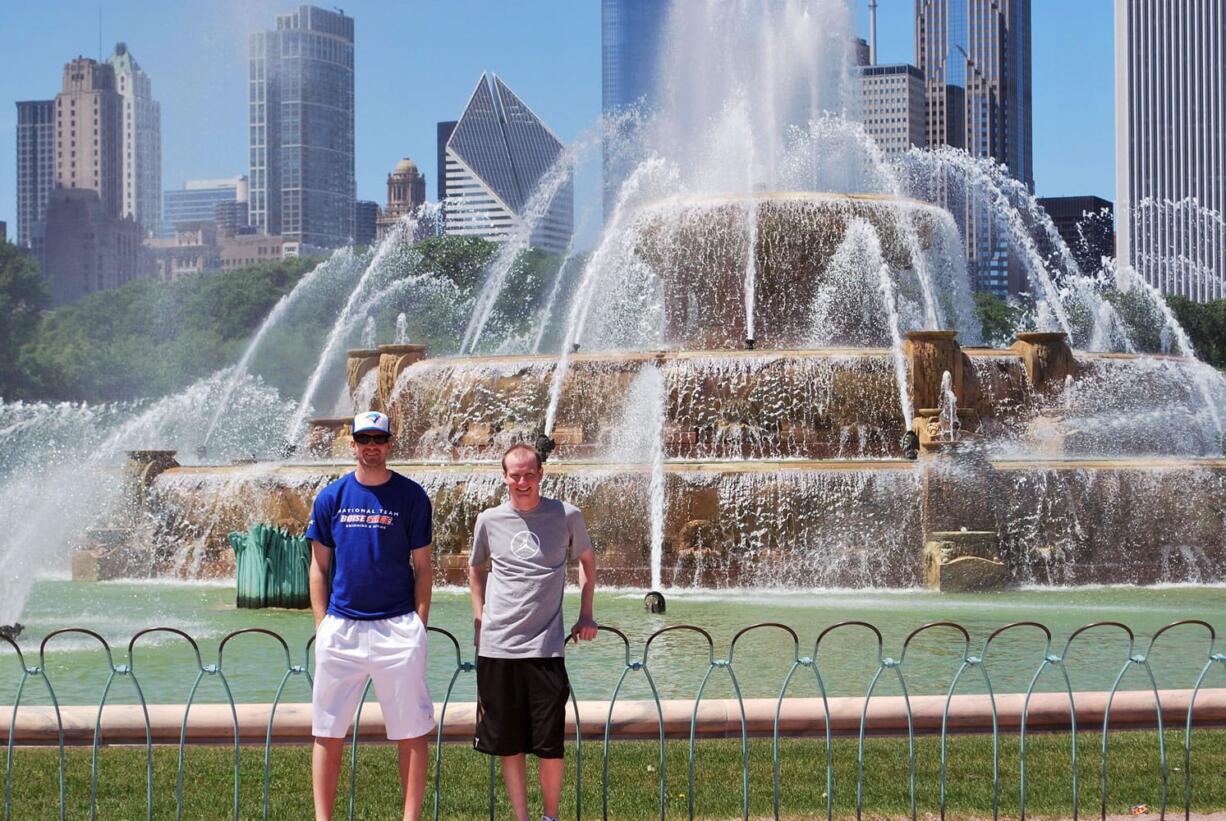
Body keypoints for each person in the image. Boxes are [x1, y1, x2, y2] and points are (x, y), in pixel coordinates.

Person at [306, 411, 435, 821]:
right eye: (365, 439)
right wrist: (321, 624)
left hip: (397, 626)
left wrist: (419, 623)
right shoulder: (331, 497)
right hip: (341, 626)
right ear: (354, 444)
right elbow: (318, 567)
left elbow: (424, 565)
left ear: (390, 443)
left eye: (379, 438)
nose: (372, 446)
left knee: (411, 728)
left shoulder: (412, 497)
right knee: (327, 729)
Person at [469, 442, 598, 821]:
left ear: (541, 474)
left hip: (545, 649)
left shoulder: (566, 515)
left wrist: (586, 613)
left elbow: (588, 562)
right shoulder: (489, 520)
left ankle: (550, 817)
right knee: (508, 742)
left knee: (549, 745)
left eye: (529, 474)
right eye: (515, 475)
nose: (522, 481)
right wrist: (479, 619)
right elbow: (476, 569)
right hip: (498, 648)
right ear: (504, 476)